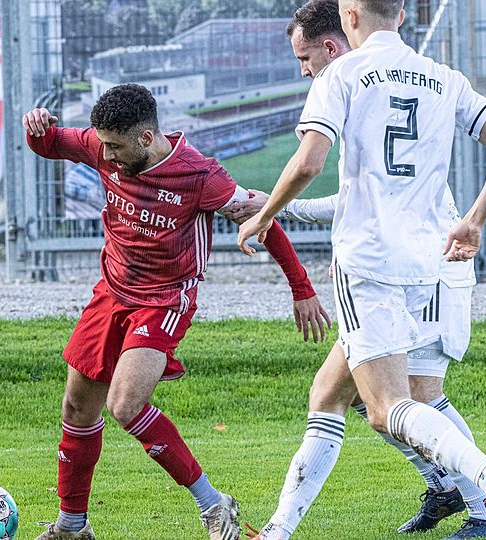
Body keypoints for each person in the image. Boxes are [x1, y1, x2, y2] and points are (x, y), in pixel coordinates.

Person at [236, 1, 486, 539]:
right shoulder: (444, 77)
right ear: (401, 14)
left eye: (304, 58)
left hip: (369, 263)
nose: (304, 69)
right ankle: (278, 531)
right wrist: (474, 221)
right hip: (428, 262)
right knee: (334, 395)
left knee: (391, 405)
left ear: (349, 17)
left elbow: (309, 163)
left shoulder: (343, 74)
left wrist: (265, 215)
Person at [23, 83, 333, 540]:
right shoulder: (102, 145)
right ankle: (72, 526)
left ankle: (213, 503)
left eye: (115, 147)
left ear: (146, 138)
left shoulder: (201, 176)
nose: (105, 155)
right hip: (111, 293)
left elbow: (262, 221)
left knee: (125, 405)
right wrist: (36, 129)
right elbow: (51, 144)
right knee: (76, 407)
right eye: (102, 144)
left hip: (165, 300)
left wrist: (301, 288)